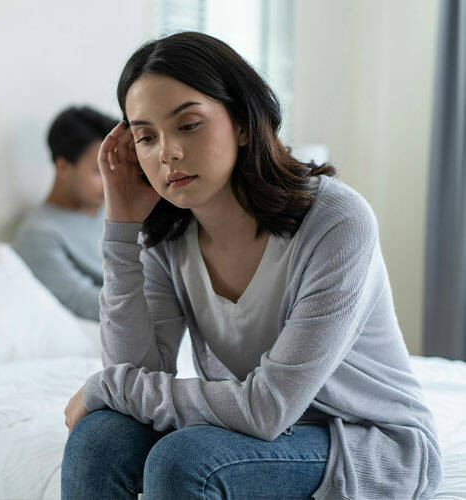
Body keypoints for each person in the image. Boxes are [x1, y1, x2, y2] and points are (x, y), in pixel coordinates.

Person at [61, 32, 442, 500]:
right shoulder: (167, 236)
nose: (167, 153)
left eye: (188, 125)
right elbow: (136, 374)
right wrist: (121, 225)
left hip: (363, 439)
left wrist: (107, 385)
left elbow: (267, 408)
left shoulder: (336, 222)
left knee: (184, 462)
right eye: (146, 137)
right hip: (249, 430)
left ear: (242, 124)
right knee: (100, 437)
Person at [13, 106, 118, 321]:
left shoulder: (117, 208)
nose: (112, 181)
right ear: (62, 167)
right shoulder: (39, 235)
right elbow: (82, 301)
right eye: (99, 171)